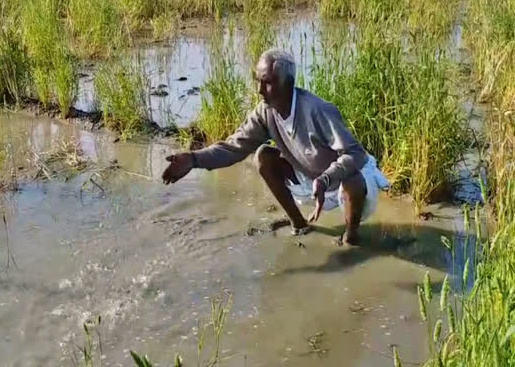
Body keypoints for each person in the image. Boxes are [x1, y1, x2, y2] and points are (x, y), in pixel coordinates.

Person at [161, 49, 389, 245]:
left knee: (353, 178)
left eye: (267, 82)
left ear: (287, 84)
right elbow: (233, 148)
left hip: (343, 182)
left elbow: (355, 154)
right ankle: (299, 224)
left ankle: (350, 238)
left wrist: (326, 179)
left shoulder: (318, 110)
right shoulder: (265, 112)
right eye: (258, 80)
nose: (260, 90)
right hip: (311, 178)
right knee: (263, 156)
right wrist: (193, 158)